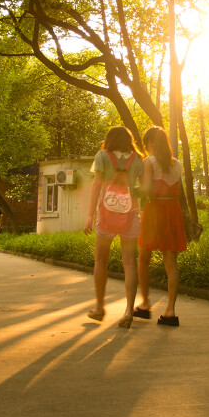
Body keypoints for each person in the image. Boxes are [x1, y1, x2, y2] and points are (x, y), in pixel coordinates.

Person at [83, 126, 144, 328]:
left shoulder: (102, 156)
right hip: (130, 216)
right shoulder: (138, 159)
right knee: (129, 263)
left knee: (101, 260)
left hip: (107, 215)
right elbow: (142, 189)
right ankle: (128, 311)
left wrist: (90, 216)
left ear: (108, 139)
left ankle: (100, 308)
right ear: (129, 140)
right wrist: (141, 211)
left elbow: (96, 185)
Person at [137, 126, 187, 327]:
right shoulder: (177, 165)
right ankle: (170, 310)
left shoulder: (149, 162)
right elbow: (177, 191)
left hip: (155, 210)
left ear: (149, 143)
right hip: (172, 210)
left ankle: (145, 303)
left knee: (143, 258)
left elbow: (147, 189)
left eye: (146, 145)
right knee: (171, 263)